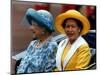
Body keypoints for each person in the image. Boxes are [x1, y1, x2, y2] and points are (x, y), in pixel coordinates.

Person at [16, 8, 58, 74]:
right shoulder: (33, 44)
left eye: (34, 25)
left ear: (44, 27)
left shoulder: (52, 46)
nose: (30, 28)